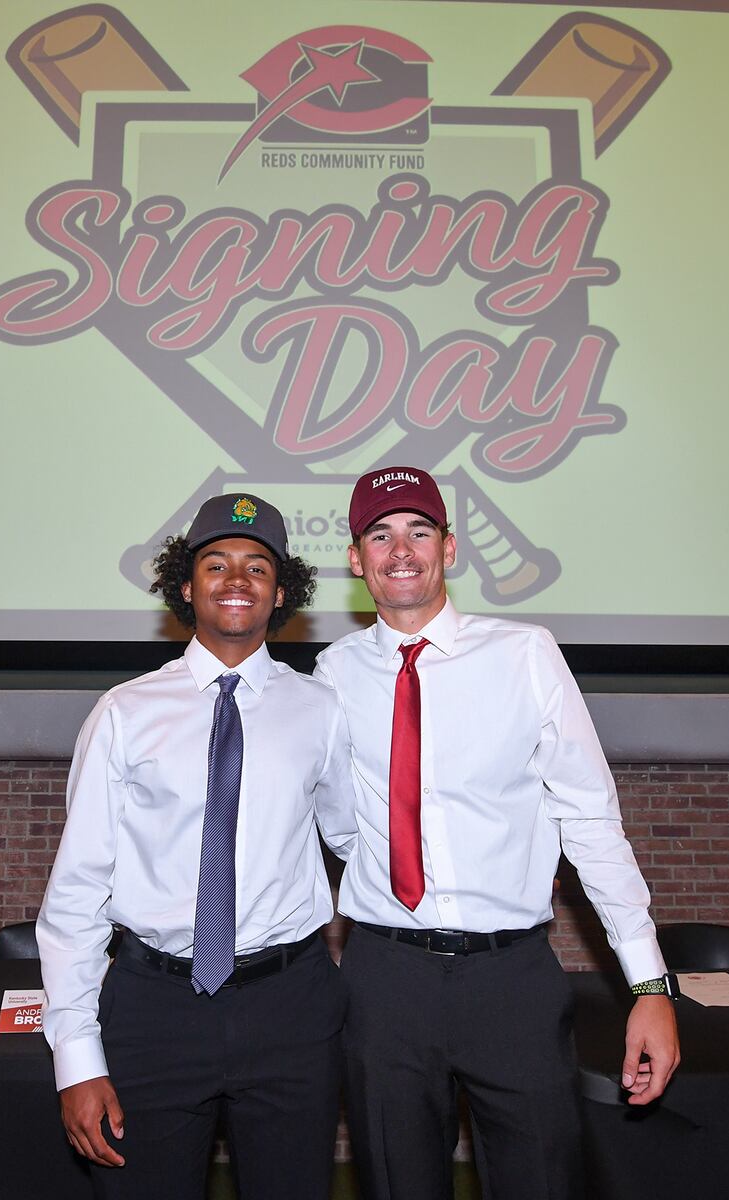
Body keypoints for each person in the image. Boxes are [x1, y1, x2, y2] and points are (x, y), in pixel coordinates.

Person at [314, 466, 681, 1200]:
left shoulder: (525, 654)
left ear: (450, 547)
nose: (402, 550)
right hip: (386, 981)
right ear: (356, 559)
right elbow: (343, 826)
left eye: (420, 531)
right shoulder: (332, 672)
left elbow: (590, 819)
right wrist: (393, 874)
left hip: (509, 981)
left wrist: (649, 984)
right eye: (380, 535)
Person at [36, 492, 355, 1200]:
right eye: (216, 564)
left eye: (256, 566)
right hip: (154, 1010)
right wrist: (77, 1059)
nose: (236, 579)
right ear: (186, 585)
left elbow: (358, 841)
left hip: (291, 1010)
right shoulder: (124, 713)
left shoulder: (320, 712)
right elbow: (76, 895)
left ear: (281, 594)